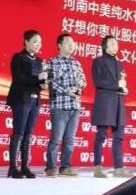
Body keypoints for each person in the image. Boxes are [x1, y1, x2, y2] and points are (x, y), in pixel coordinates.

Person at [6, 30, 48, 179]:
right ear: (26, 42)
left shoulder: (40, 61)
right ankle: (13, 168)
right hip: (21, 99)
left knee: (29, 134)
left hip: (35, 100)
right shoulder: (18, 58)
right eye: (35, 41)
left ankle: (25, 167)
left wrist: (43, 84)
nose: (38, 45)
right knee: (19, 133)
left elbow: (40, 83)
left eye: (40, 42)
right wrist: (38, 78)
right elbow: (19, 78)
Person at [45, 33, 86, 177]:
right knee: (56, 138)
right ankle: (51, 167)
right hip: (60, 105)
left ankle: (65, 167)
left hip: (75, 105)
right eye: (68, 43)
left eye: (73, 43)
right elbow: (51, 82)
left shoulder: (76, 63)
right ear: (60, 45)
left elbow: (83, 80)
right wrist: (67, 91)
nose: (71, 45)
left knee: (69, 139)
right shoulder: (53, 62)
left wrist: (80, 86)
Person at [91, 36, 132, 178]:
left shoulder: (119, 63)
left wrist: (123, 89)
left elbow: (120, 82)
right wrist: (117, 85)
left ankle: (118, 168)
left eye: (117, 44)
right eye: (113, 44)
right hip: (105, 102)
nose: (116, 46)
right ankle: (97, 167)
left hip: (118, 102)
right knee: (101, 135)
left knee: (119, 136)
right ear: (105, 46)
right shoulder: (99, 61)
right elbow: (98, 82)